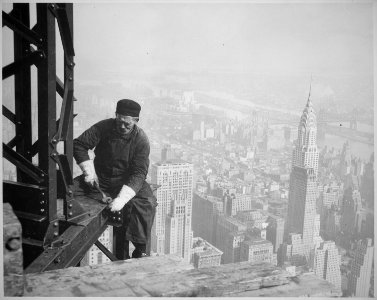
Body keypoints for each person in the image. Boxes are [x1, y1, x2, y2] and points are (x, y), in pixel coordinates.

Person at [73, 99, 157, 259]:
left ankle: (140, 248)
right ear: (116, 116)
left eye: (127, 124)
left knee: (147, 202)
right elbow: (79, 144)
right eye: (120, 121)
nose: (122, 126)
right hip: (100, 178)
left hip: (126, 181)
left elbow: (139, 173)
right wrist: (89, 172)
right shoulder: (103, 127)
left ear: (136, 121)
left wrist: (121, 200)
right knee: (67, 191)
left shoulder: (141, 139)